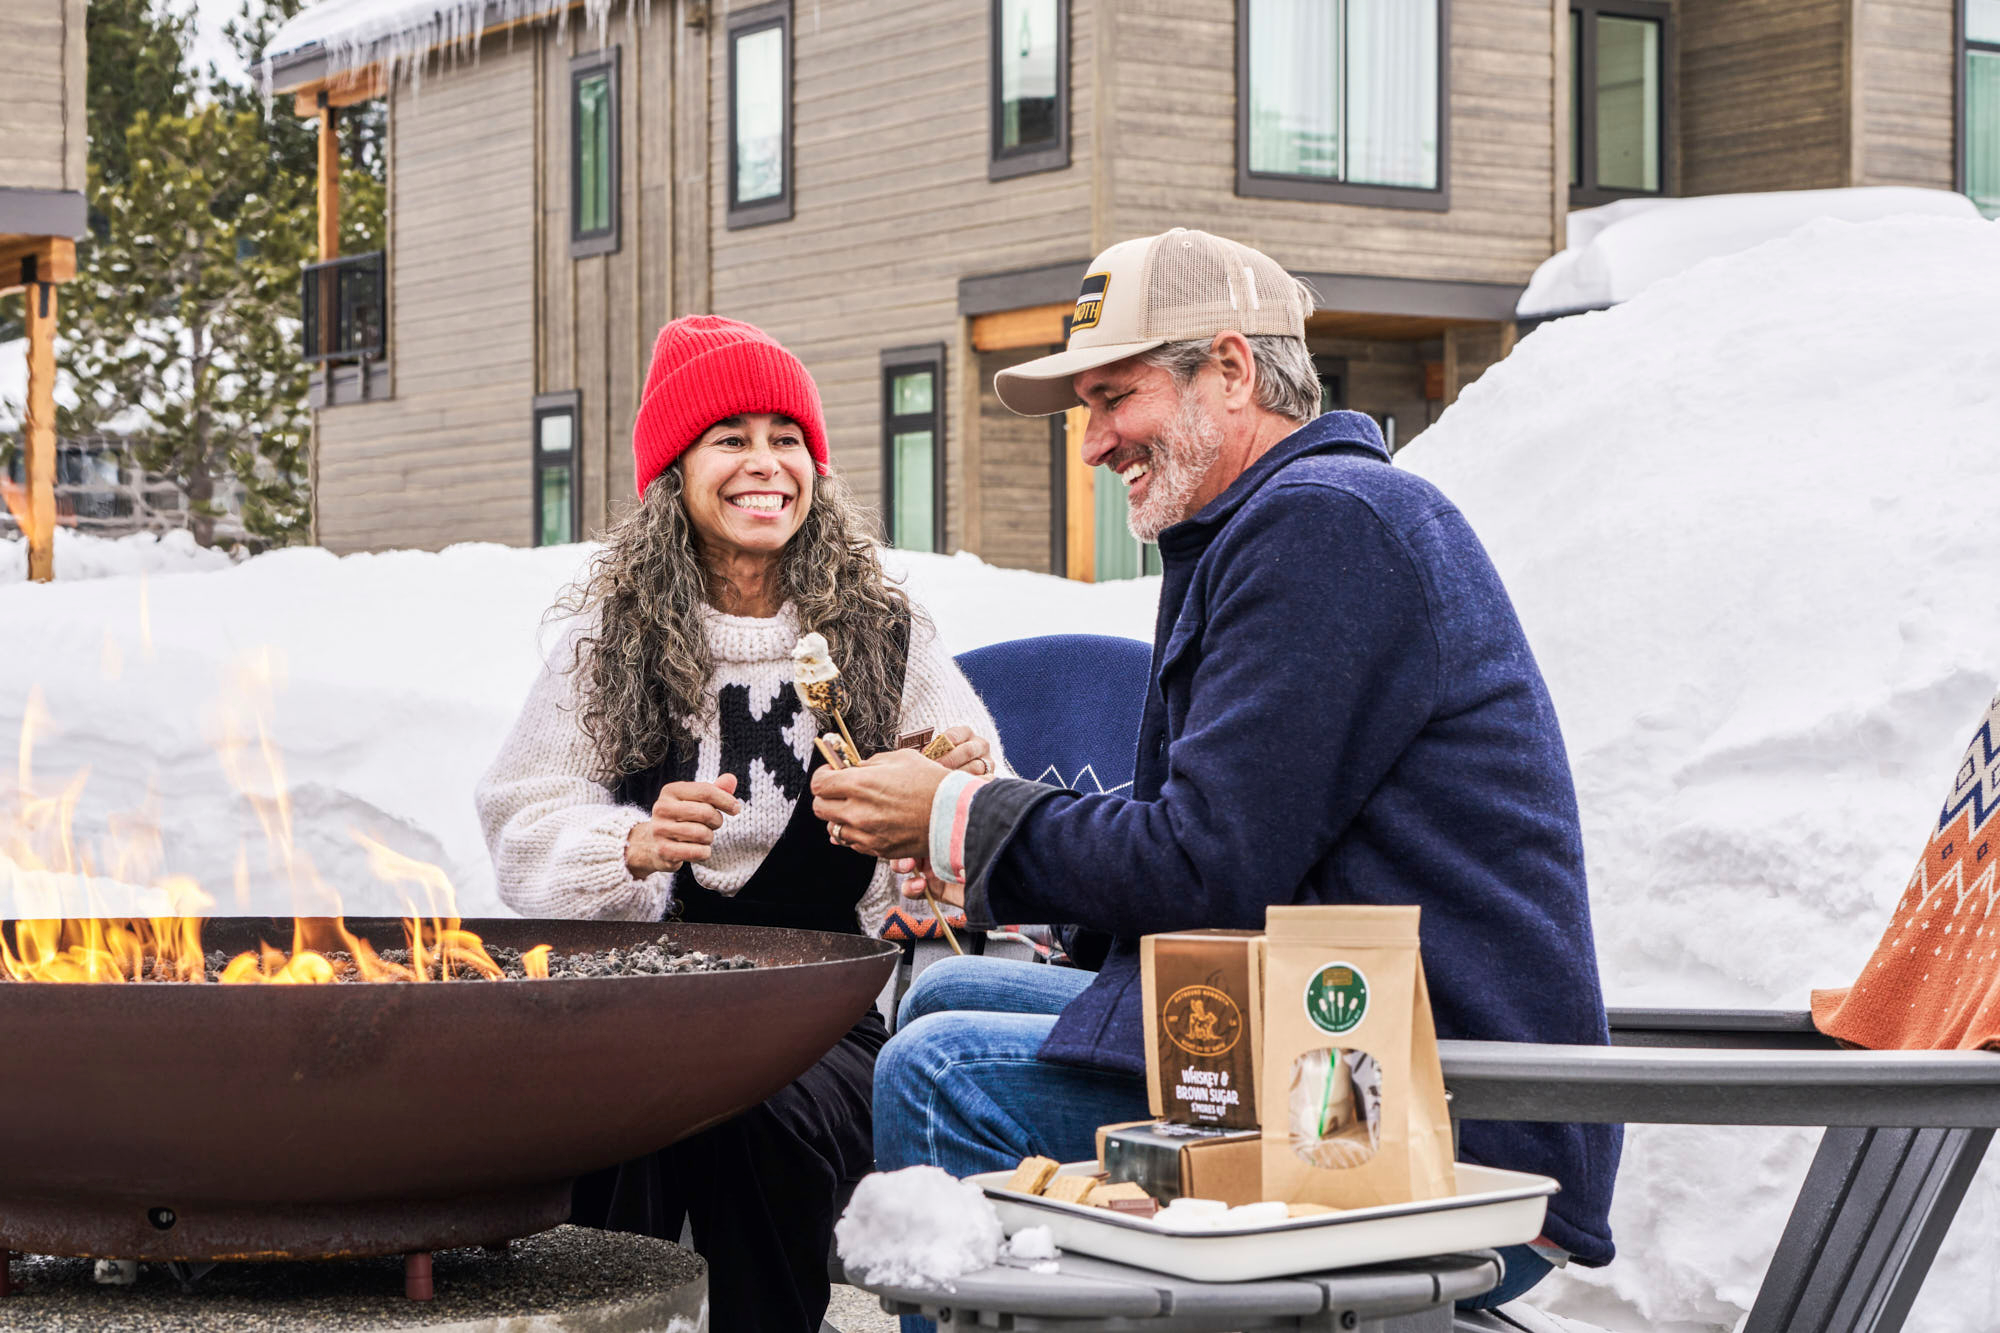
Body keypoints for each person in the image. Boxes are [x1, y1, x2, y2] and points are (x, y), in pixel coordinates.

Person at [810, 230, 1619, 1314]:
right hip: (1342, 1045)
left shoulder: (1326, 531)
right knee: (948, 989)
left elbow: (1204, 864)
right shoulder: (1281, 523)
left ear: (1231, 371)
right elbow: (1226, 839)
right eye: (1084, 409)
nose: (1091, 443)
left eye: (1113, 398)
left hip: (1421, 1117)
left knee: (939, 1069)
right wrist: (967, 836)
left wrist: (963, 816)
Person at [476, 314, 1005, 1332]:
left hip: (816, 1024)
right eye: (729, 439)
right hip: (643, 1010)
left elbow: (983, 827)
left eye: (785, 438)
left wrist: (928, 817)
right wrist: (625, 843)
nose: (765, 464)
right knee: (619, 1117)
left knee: (754, 1115)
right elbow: (520, 818)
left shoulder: (885, 634)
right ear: (674, 472)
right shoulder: (606, 641)